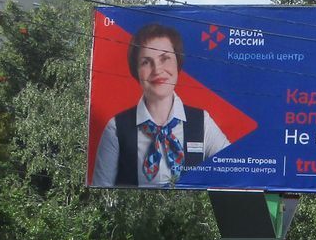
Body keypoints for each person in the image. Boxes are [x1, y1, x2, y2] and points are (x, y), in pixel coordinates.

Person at [91, 23, 231, 187]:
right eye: (146, 62)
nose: (157, 69)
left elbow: (231, 171)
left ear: (178, 63)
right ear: (136, 71)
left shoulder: (202, 122)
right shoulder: (115, 129)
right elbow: (101, 192)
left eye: (165, 58)